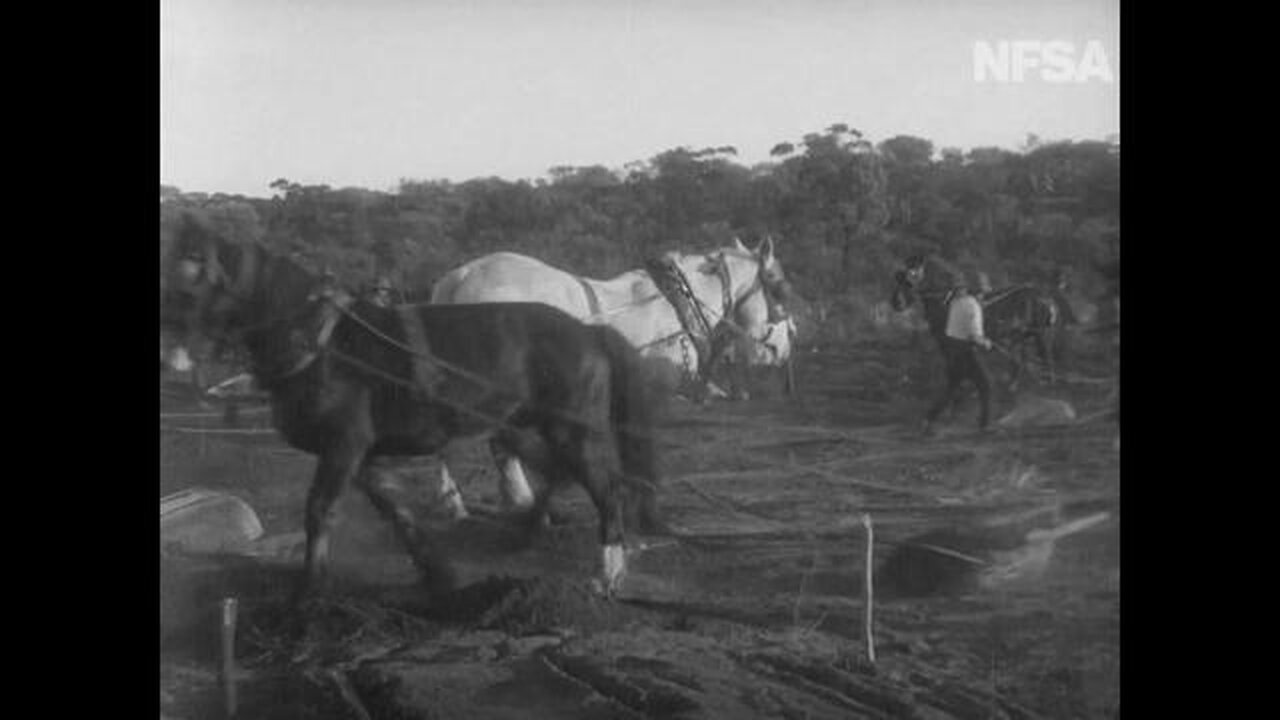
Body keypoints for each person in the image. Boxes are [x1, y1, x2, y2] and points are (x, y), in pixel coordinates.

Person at [923, 277, 993, 435]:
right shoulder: (972, 306)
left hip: (952, 351)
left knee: (951, 389)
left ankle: (929, 420)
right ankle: (985, 425)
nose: (984, 298)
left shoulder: (955, 303)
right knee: (986, 386)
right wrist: (986, 343)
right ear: (977, 292)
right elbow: (975, 336)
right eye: (983, 294)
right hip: (967, 352)